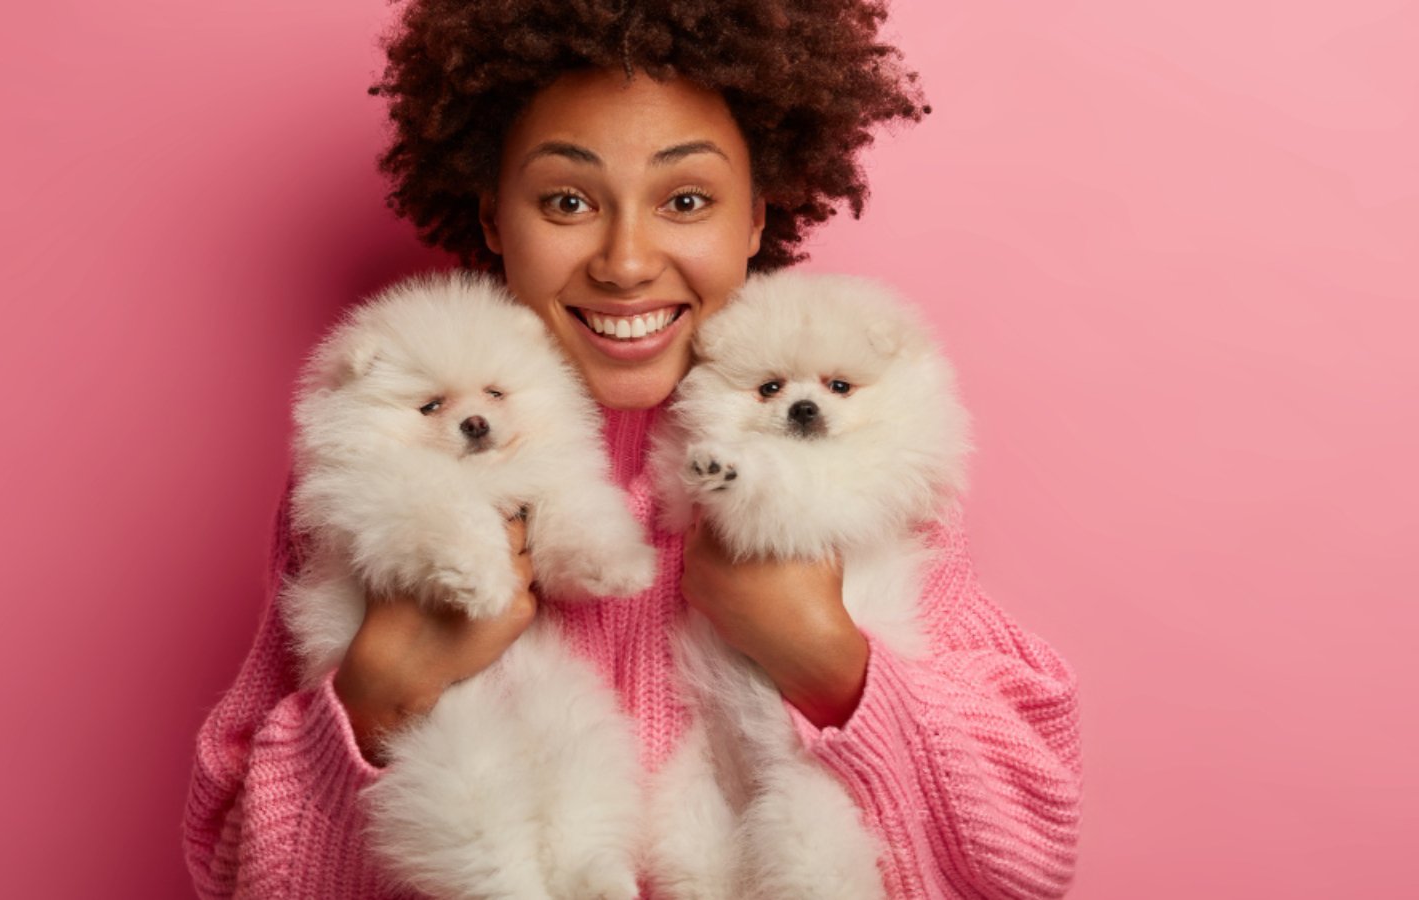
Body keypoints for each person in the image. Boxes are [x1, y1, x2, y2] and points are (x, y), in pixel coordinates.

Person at [182, 1, 1083, 897]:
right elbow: (234, 863)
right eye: (568, 200)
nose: (624, 260)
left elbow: (1025, 853)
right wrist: (378, 695)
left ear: (757, 219)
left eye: (685, 200)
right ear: (495, 218)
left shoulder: (855, 453)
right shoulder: (392, 459)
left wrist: (827, 656)